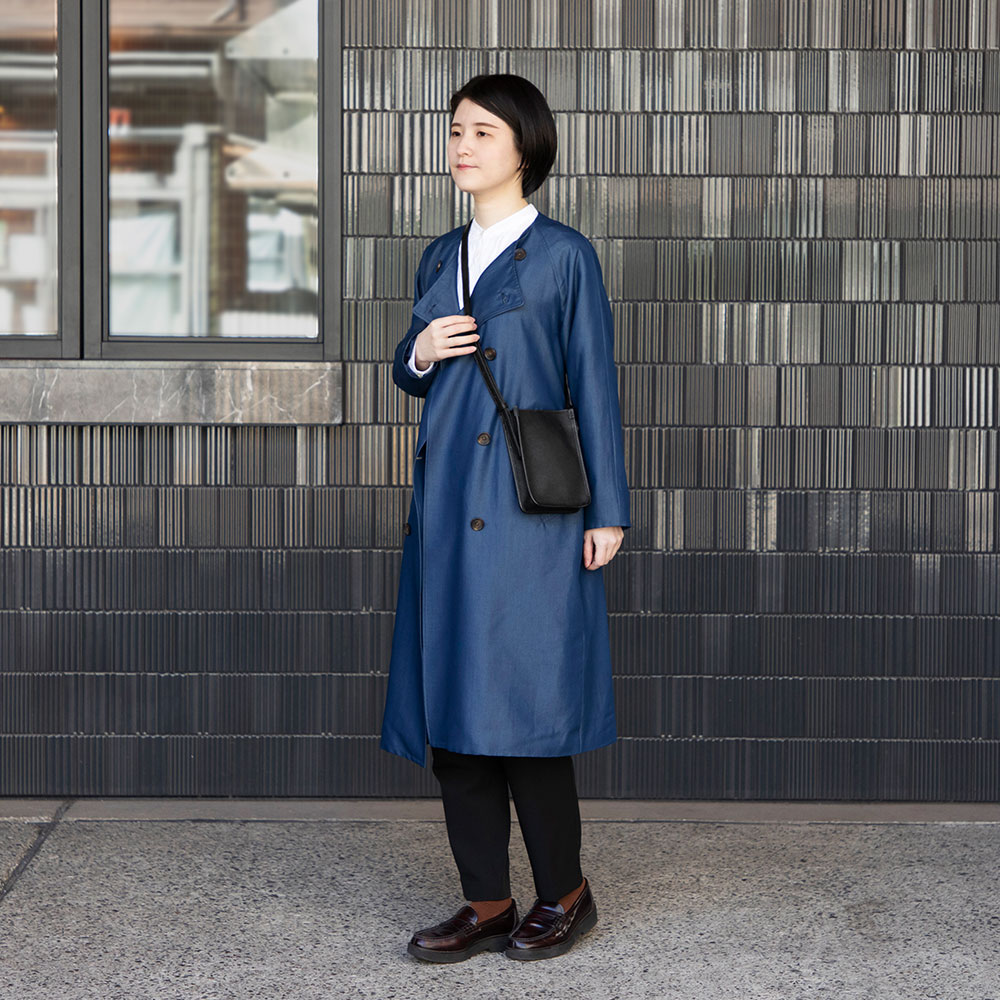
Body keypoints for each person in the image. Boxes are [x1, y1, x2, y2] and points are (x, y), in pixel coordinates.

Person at [380, 72, 630, 963]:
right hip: (449, 512)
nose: (462, 146)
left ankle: (566, 892)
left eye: (482, 132)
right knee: (454, 712)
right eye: (456, 131)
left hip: (531, 512)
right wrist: (417, 351)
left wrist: (609, 511)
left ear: (525, 147)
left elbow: (593, 382)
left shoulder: (563, 256)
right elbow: (411, 376)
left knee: (528, 711)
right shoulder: (439, 256)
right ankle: (486, 900)